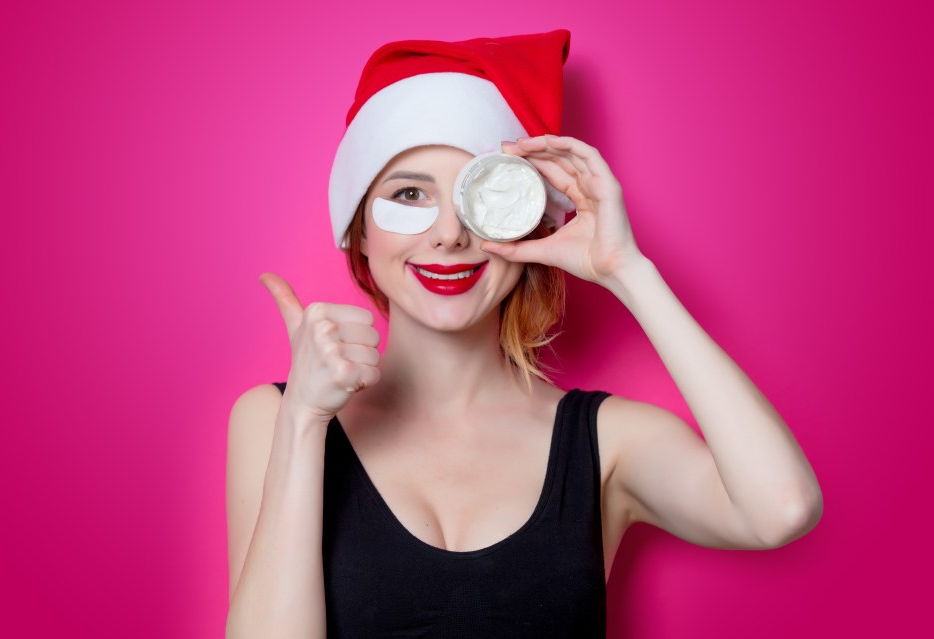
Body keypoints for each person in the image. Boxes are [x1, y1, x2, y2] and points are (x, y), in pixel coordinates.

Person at [224, 29, 823, 638]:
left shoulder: (607, 442)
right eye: (408, 195)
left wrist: (629, 272)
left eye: (479, 197)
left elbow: (782, 509)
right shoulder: (276, 420)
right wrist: (303, 420)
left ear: (531, 223)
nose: (449, 236)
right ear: (359, 230)